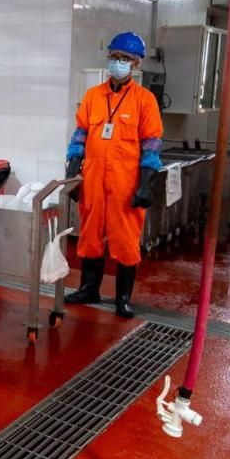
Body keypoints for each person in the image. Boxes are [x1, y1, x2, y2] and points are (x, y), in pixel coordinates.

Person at [65, 32, 162, 318]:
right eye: (114, 57)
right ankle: (89, 289)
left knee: (125, 239)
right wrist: (72, 172)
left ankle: (122, 298)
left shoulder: (145, 101)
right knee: (90, 234)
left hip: (125, 183)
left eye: (125, 58)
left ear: (136, 63)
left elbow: (152, 145)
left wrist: (146, 184)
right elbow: (79, 136)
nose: (118, 62)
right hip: (93, 180)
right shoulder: (93, 96)